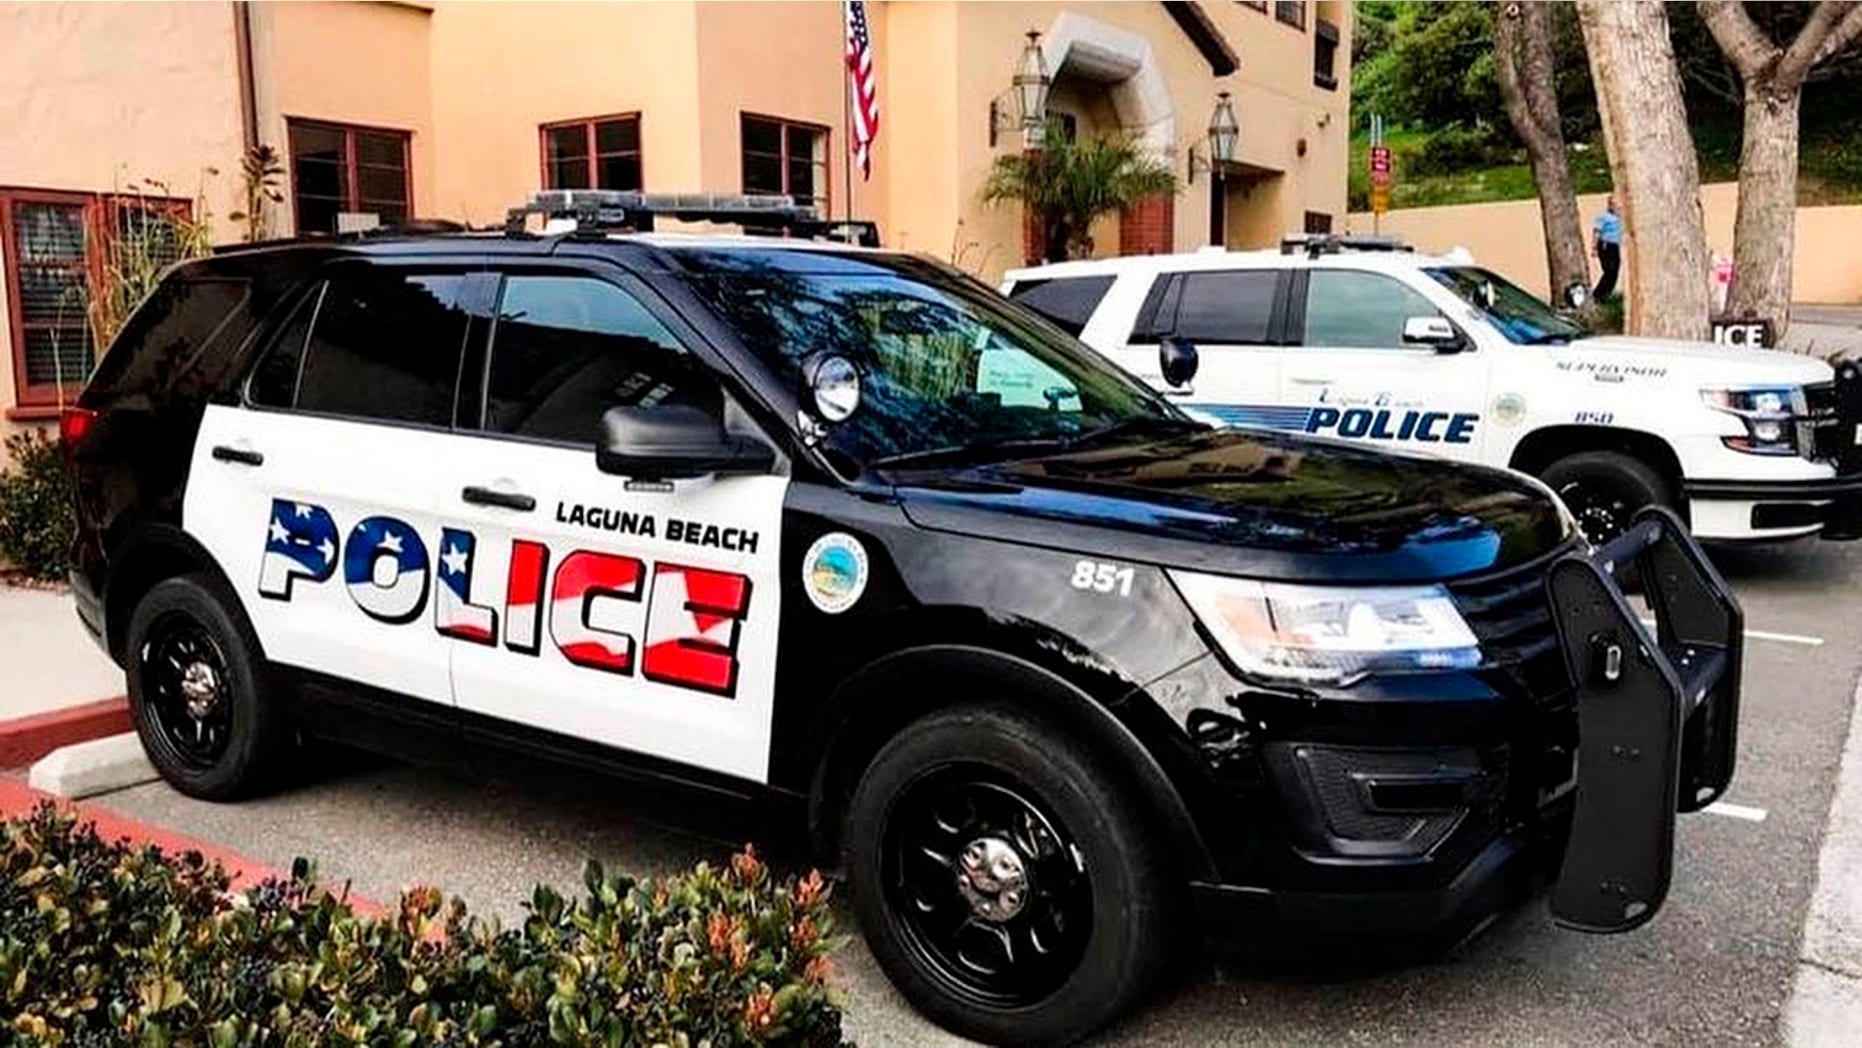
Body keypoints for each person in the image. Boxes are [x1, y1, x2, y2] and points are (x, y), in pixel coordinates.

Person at [1592, 195, 1622, 301]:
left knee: (1615, 271)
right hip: (1605, 245)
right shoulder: (1603, 217)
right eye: (1614, 205)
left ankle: (1607, 294)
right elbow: (1597, 232)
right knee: (1609, 271)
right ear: (1609, 205)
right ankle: (1597, 294)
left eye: (1618, 205)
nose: (1617, 207)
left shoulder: (1619, 217)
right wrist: (1594, 247)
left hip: (1615, 246)